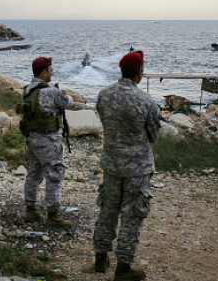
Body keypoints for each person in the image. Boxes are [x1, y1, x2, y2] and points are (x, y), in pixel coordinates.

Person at [92, 50, 161, 280]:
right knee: (132, 216)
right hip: (137, 168)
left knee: (108, 211)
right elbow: (153, 135)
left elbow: (104, 122)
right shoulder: (147, 101)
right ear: (139, 73)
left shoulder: (104, 95)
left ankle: (100, 259)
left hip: (111, 164)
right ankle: (123, 267)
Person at [20, 57, 74, 227]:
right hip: (49, 140)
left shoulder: (27, 90)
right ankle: (53, 214)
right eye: (50, 70)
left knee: (34, 174)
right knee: (55, 174)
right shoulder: (50, 92)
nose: (52, 73)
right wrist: (62, 93)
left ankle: (31, 209)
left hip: (32, 139)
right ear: (43, 73)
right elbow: (69, 103)